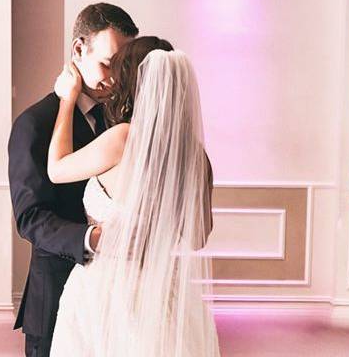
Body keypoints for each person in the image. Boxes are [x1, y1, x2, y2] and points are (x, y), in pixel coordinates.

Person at [47, 36, 220, 357]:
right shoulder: (196, 155)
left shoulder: (123, 139)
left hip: (104, 289)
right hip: (165, 289)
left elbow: (56, 170)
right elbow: (197, 238)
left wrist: (66, 102)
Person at [8, 3, 138, 357]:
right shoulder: (34, 124)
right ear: (79, 49)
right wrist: (92, 239)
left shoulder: (124, 123)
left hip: (116, 300)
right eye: (108, 64)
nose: (115, 78)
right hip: (55, 294)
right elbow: (29, 216)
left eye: (123, 68)